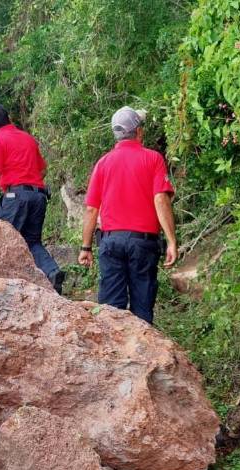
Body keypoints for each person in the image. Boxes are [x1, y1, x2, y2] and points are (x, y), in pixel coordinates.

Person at [78, 106, 177, 324]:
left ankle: (113, 354)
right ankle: (143, 352)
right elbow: (160, 199)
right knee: (142, 308)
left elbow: (91, 209)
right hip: (143, 243)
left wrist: (85, 247)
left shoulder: (103, 163)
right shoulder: (153, 159)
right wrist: (171, 241)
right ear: (139, 131)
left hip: (111, 241)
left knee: (110, 310)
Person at [0, 104, 65, 293]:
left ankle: (5, 289)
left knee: (5, 241)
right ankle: (52, 272)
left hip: (15, 197)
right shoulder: (28, 139)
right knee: (32, 241)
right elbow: (43, 169)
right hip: (38, 195)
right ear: (10, 117)